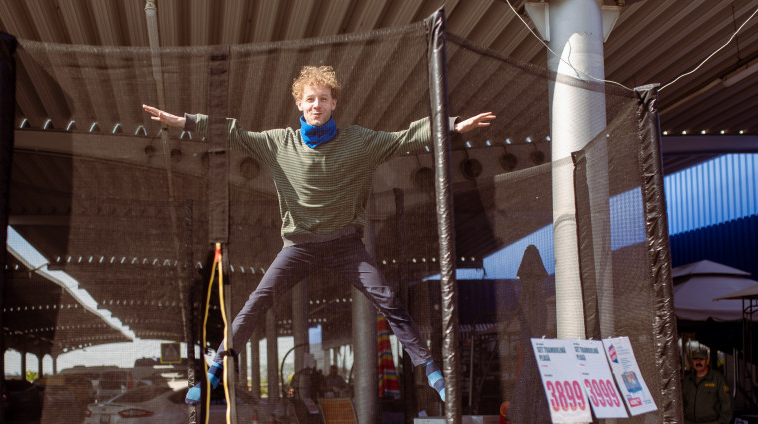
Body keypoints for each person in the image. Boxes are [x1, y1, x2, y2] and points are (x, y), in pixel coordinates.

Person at [143, 65, 495, 405]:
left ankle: (431, 371)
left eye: (323, 99)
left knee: (387, 297)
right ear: (299, 104)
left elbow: (406, 138)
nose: (316, 105)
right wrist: (186, 123)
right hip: (299, 247)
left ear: (333, 104)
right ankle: (218, 364)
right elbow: (233, 133)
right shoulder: (279, 143)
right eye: (310, 99)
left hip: (345, 245)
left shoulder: (359, 141)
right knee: (255, 303)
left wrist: (452, 126)